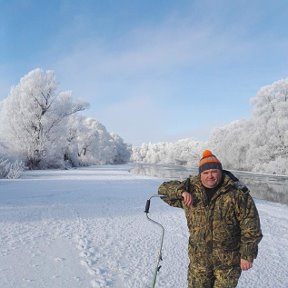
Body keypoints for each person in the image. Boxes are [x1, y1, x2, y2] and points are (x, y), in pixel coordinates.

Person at [158, 150, 263, 288]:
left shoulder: (237, 193)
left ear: (220, 171)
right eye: (206, 173)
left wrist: (247, 254)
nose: (210, 176)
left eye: (214, 171)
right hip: (199, 263)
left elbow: (251, 225)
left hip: (228, 264)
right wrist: (180, 191)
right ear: (200, 174)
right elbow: (163, 190)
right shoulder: (190, 189)